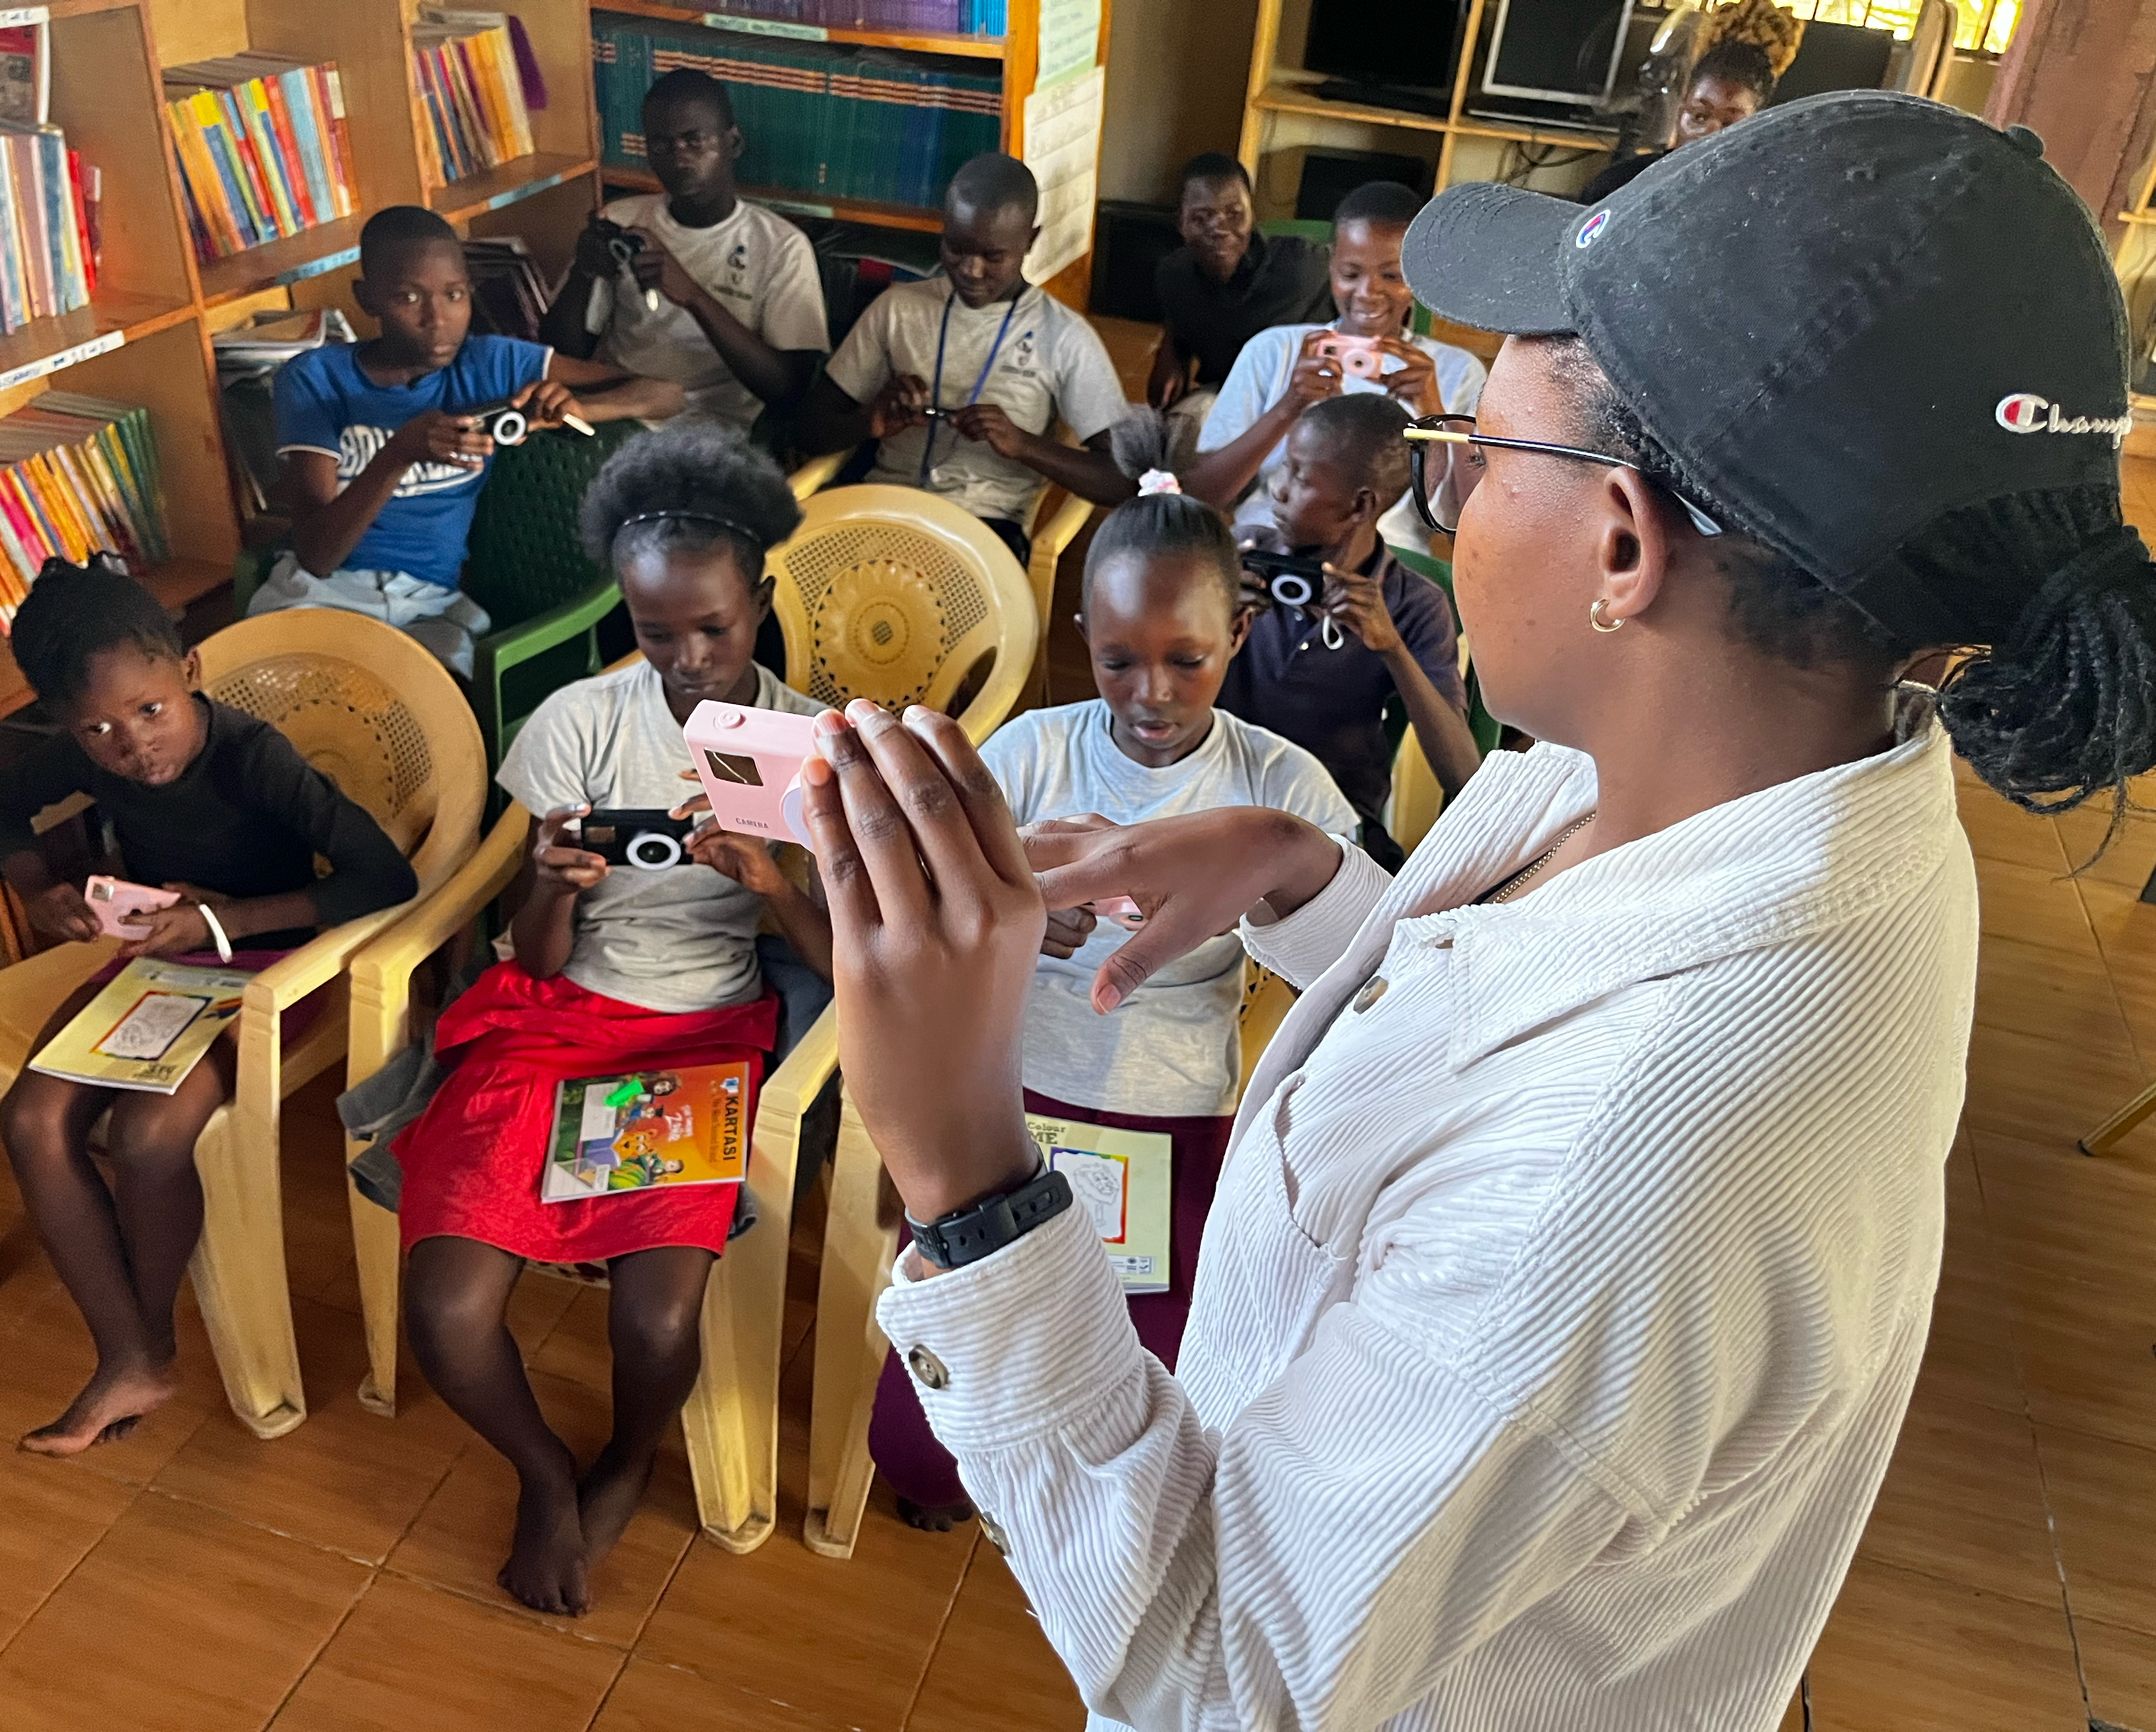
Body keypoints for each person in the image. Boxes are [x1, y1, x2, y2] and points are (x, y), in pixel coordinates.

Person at [787, 94, 2156, 1729]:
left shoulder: (1632, 1168)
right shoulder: (1712, 772)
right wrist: (1303, 881)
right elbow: (1486, 1018)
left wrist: (962, 1170)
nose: (1437, 511)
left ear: (1625, 543)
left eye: (1472, 458)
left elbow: (1224, 1674)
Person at [868, 416, 1356, 1531]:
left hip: (1173, 1113)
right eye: (1118, 658)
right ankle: (967, 1484)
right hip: (1010, 1104)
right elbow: (935, 911)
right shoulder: (1030, 755)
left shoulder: (1278, 790)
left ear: (1237, 633)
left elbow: (1360, 944)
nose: (1151, 693)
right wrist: (1005, 928)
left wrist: (1247, 904)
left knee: (1158, 1394)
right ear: (1082, 633)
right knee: (920, 1439)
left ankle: (1078, 1522)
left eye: (1187, 659)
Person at [390, 424, 831, 1618]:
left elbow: (844, 960)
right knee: (444, 1303)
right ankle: (543, 1471)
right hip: (556, 1011)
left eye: (714, 630)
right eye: (655, 633)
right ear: (623, 616)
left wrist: (774, 884)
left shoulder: (790, 742)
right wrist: (546, 883)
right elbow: (531, 957)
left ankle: (629, 1457)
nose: (688, 661)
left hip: (703, 1029)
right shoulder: (581, 721)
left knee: (658, 1316)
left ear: (760, 603)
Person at [0, 560, 417, 1458]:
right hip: (159, 958)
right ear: (67, 727)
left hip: (269, 962)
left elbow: (384, 875)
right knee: (32, 1117)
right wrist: (32, 887)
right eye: (97, 731)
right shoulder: (91, 748)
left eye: (148, 711)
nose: (132, 745)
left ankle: (139, 1349)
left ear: (190, 671)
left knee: (146, 1137)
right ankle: (133, 1354)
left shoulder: (254, 757)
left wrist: (226, 917)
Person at [257, 206, 683, 680]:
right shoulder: (316, 381)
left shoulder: (489, 363)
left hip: (429, 608)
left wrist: (583, 409)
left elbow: (666, 394)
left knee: (436, 718)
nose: (437, 319)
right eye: (408, 297)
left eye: (454, 295)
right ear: (367, 299)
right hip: (321, 597)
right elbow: (317, 555)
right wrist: (398, 454)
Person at [802, 152, 1135, 560]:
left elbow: (1125, 479)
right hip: (886, 508)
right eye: (956, 249)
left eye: (993, 257)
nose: (971, 270)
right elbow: (806, 429)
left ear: (1030, 241)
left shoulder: (1063, 337)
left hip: (984, 528)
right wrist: (868, 421)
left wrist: (1024, 445)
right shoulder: (898, 309)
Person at [1218, 393, 1478, 867]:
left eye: (1300, 475)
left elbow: (1461, 775)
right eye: (1283, 468)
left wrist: (1391, 649)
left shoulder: (1413, 604)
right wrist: (1212, 617)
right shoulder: (1240, 558)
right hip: (1214, 794)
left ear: (1360, 506)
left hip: (1326, 826)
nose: (1277, 489)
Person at [1187, 180, 1486, 553]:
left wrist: (1434, 414)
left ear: (1418, 277)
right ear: (1330, 266)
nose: (1367, 293)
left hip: (1385, 563)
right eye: (1350, 273)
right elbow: (1201, 495)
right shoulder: (1275, 350)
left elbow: (1473, 525)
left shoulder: (1456, 371)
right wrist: (1288, 406)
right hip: (1267, 545)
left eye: (1391, 276)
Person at [542, 68, 830, 431]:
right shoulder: (622, 219)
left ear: (733, 144)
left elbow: (789, 390)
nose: (678, 159)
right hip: (615, 411)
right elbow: (561, 353)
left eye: (695, 141)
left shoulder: (781, 246)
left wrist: (693, 295)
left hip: (713, 427)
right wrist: (584, 275)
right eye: (661, 145)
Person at [1147, 153, 1333, 430]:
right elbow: (1179, 326)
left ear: (1252, 214)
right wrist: (1171, 350)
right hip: (1223, 396)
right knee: (1181, 437)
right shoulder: (1174, 276)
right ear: (1181, 224)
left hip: (1307, 400)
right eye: (1201, 218)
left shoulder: (1305, 265)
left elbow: (1364, 290)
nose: (1220, 229)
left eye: (1234, 215)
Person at [1580, 38, 1779, 203]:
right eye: (1699, 116)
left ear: (1756, 129)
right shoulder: (1618, 187)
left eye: (1729, 124)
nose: (1709, 134)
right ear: (1681, 111)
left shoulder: (1762, 206)